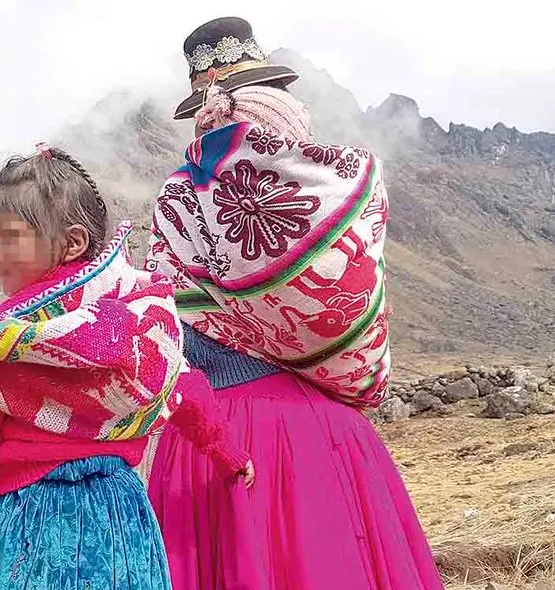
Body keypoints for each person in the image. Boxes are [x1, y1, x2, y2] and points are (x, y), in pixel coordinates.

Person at [144, 17, 445, 590]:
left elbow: (169, 323)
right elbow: (351, 297)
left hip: (210, 438)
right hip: (320, 436)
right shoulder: (344, 181)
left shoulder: (177, 200)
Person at [0, 145, 252, 590]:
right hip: (118, 514)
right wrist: (229, 457)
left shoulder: (8, 345)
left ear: (72, 243)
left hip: (31, 513)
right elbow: (187, 391)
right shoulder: (145, 326)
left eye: (8, 239)